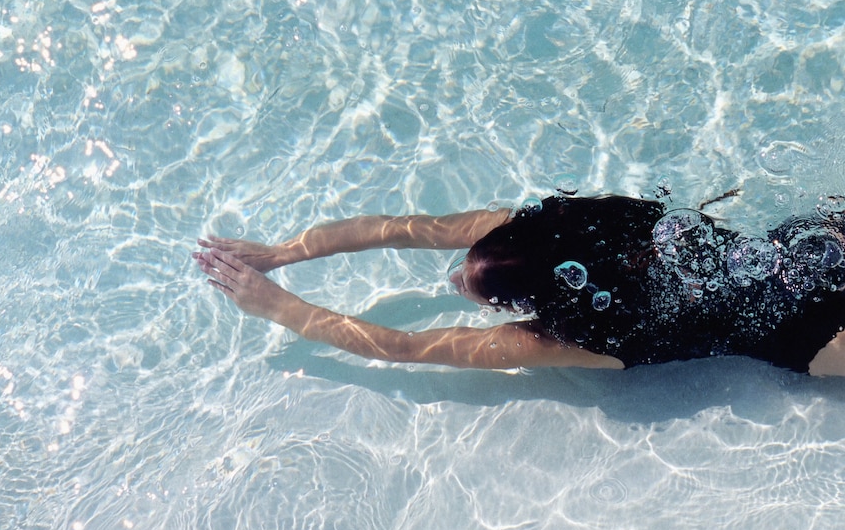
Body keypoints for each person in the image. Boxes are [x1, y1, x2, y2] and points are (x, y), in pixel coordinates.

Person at [193, 195, 845, 376]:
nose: (454, 279)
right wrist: (282, 252)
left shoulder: (567, 338)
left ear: (536, 307)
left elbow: (406, 347)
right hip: (802, 248)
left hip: (807, 338)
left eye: (486, 297)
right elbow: (398, 229)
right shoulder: (551, 232)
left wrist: (278, 306)